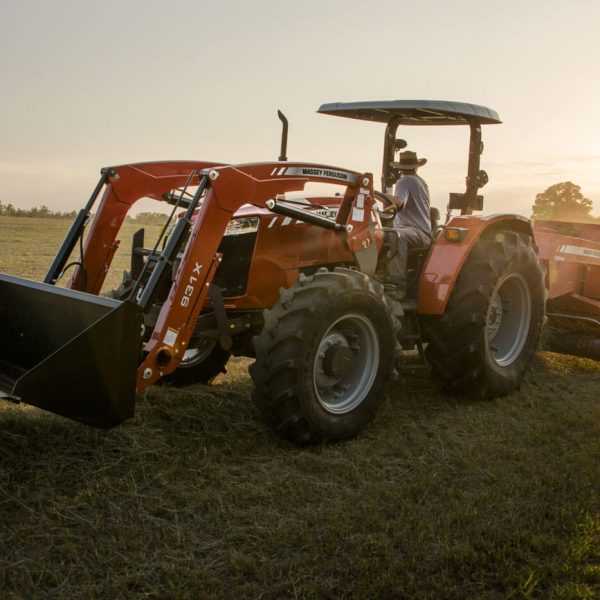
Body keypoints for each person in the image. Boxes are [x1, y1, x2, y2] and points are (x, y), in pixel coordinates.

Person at [385, 150, 432, 299]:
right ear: (416, 167)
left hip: (415, 231)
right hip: (422, 232)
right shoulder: (421, 182)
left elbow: (399, 201)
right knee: (384, 232)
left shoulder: (405, 181)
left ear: (400, 168)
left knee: (395, 235)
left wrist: (373, 194)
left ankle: (397, 287)